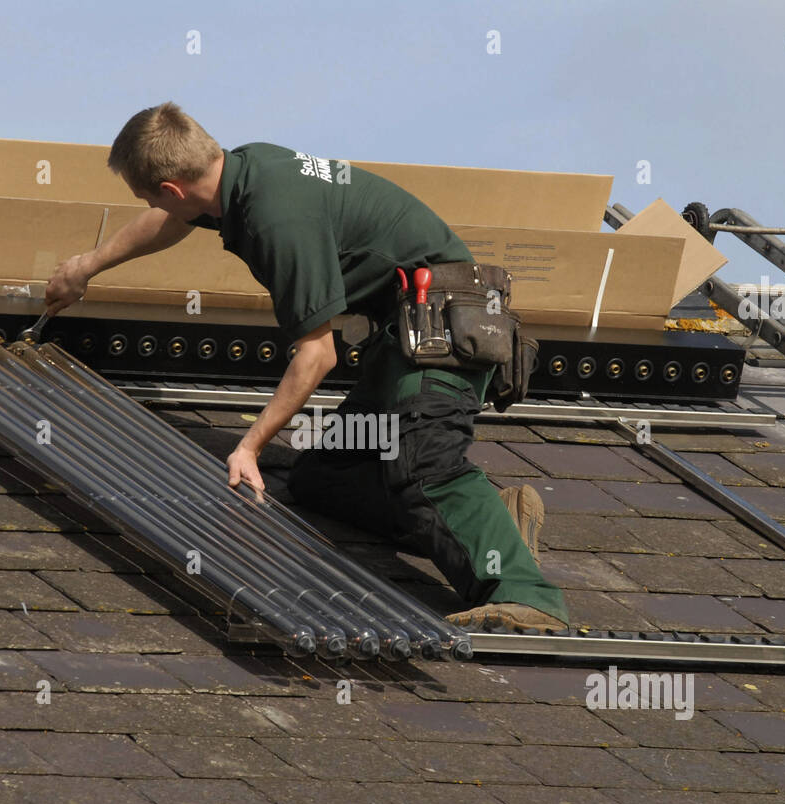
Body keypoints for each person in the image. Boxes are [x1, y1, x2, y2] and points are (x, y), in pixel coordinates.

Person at [45, 102, 568, 633]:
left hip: (448, 334)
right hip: (406, 335)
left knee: (419, 468)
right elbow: (170, 220)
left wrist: (248, 446)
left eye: (147, 194)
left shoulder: (277, 219)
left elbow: (318, 355)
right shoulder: (241, 171)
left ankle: (527, 597)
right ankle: (490, 522)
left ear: (173, 187)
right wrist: (86, 267)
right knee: (325, 478)